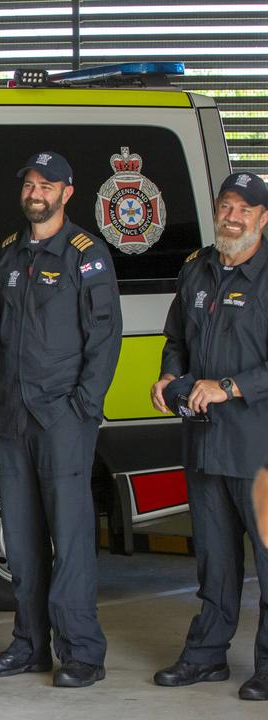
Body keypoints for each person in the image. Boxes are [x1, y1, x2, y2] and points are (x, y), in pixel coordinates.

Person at [0, 151, 122, 688]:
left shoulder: (88, 256)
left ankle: (82, 653)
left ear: (67, 192)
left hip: (62, 417)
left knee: (72, 538)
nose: (35, 192)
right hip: (13, 420)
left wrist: (83, 407)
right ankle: (30, 645)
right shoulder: (10, 254)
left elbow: (105, 339)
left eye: (46, 185)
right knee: (21, 540)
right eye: (30, 183)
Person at [149, 171, 268, 701]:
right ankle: (206, 656)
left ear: (263, 218)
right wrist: (170, 375)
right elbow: (176, 337)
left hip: (258, 448)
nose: (233, 216)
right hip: (204, 443)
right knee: (214, 561)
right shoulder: (196, 269)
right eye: (226, 206)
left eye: (245, 208)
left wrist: (228, 387)